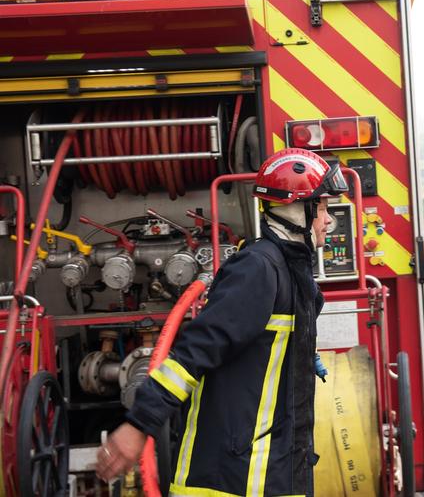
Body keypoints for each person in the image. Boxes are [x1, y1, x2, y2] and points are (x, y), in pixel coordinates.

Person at [96, 148, 349, 496]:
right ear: (295, 209)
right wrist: (140, 424)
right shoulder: (258, 269)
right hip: (234, 478)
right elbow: (194, 352)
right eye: (320, 207)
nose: (327, 220)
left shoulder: (293, 272)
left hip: (277, 472)